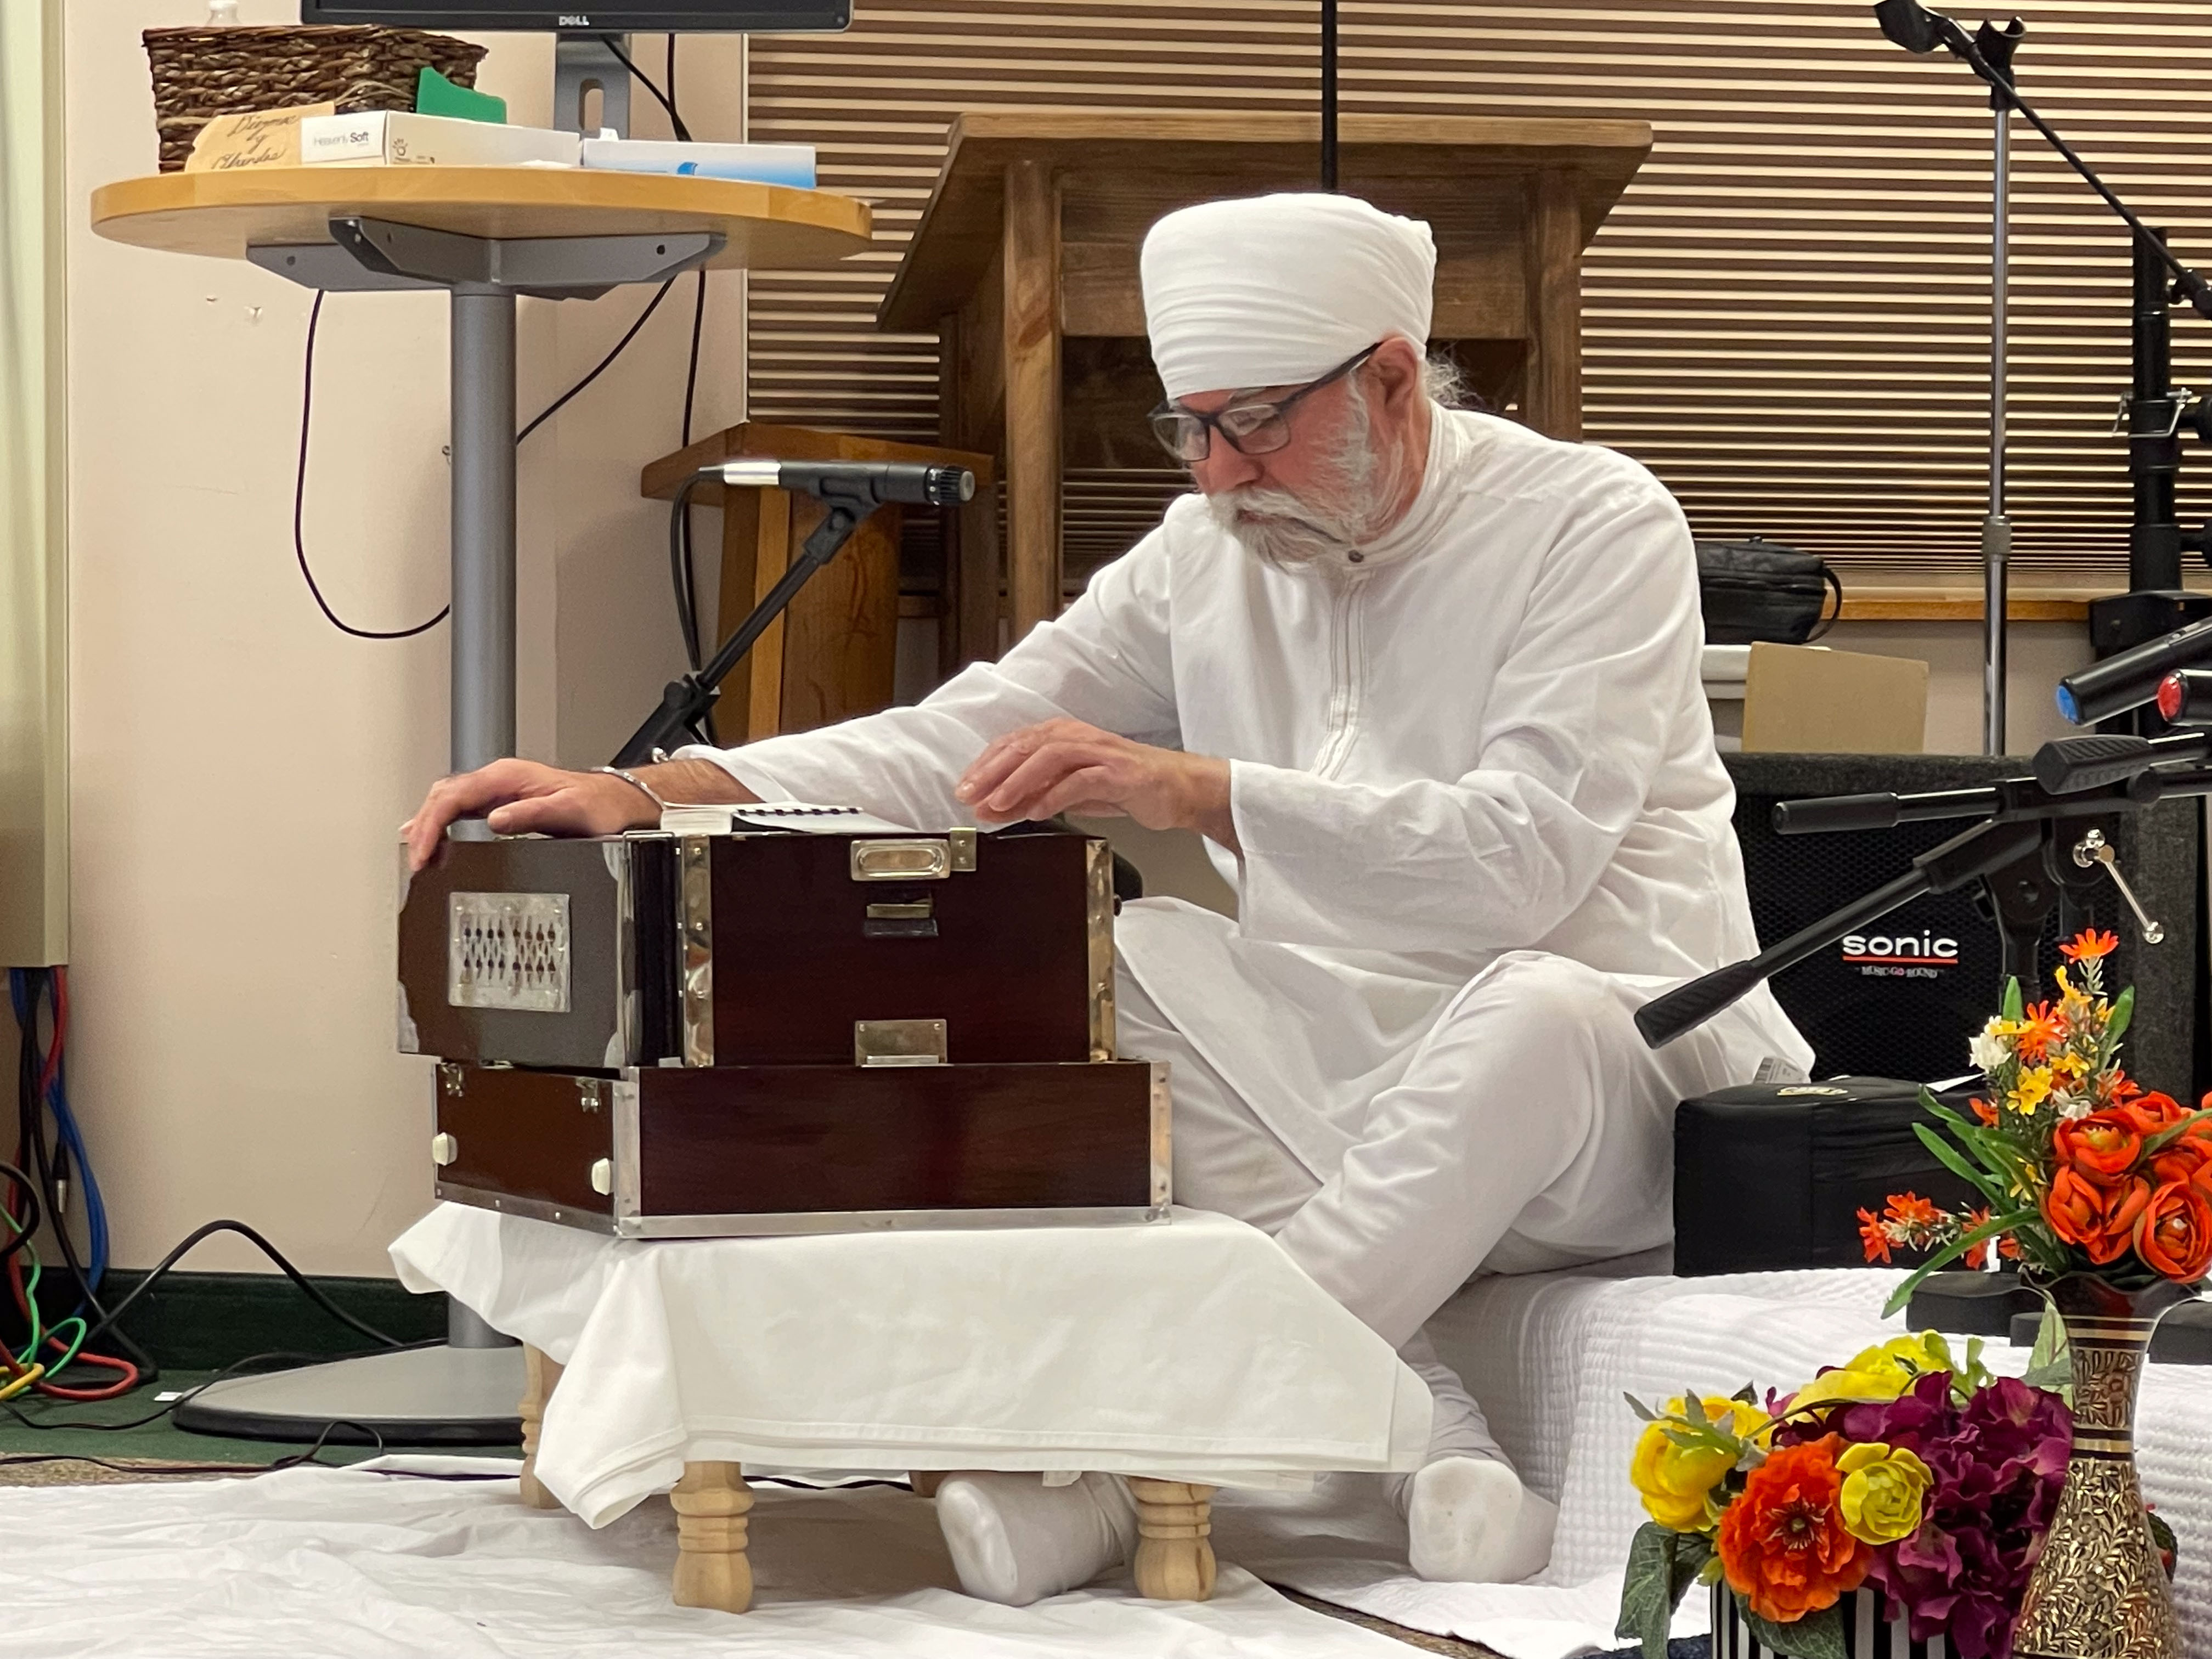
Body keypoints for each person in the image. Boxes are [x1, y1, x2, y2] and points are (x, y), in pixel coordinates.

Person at [404, 191, 1812, 1605]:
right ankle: (1442, 1450)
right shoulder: (1209, 549)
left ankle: (1111, 1473)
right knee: (1103, 969)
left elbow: (1526, 859)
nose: (1218, 474)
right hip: (1350, 1074)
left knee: (1537, 1011)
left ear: (1392, 379)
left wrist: (1201, 792)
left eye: (1252, 423)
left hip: (1616, 1079)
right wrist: (655, 789)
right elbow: (971, 738)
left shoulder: (1595, 523)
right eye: (1187, 430)